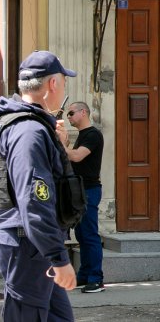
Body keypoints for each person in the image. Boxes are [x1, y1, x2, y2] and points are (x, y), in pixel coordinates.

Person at [0, 50, 77, 321]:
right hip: (27, 244)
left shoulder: (22, 124)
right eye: (64, 81)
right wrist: (58, 258)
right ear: (53, 84)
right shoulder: (29, 132)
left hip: (27, 241)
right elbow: (33, 202)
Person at [62, 101, 105, 293]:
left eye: (71, 113)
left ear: (83, 112)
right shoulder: (82, 135)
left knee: (89, 235)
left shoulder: (93, 134)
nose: (68, 117)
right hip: (79, 190)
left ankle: (96, 278)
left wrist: (61, 145)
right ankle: (85, 275)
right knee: (81, 235)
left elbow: (77, 156)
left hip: (89, 190)